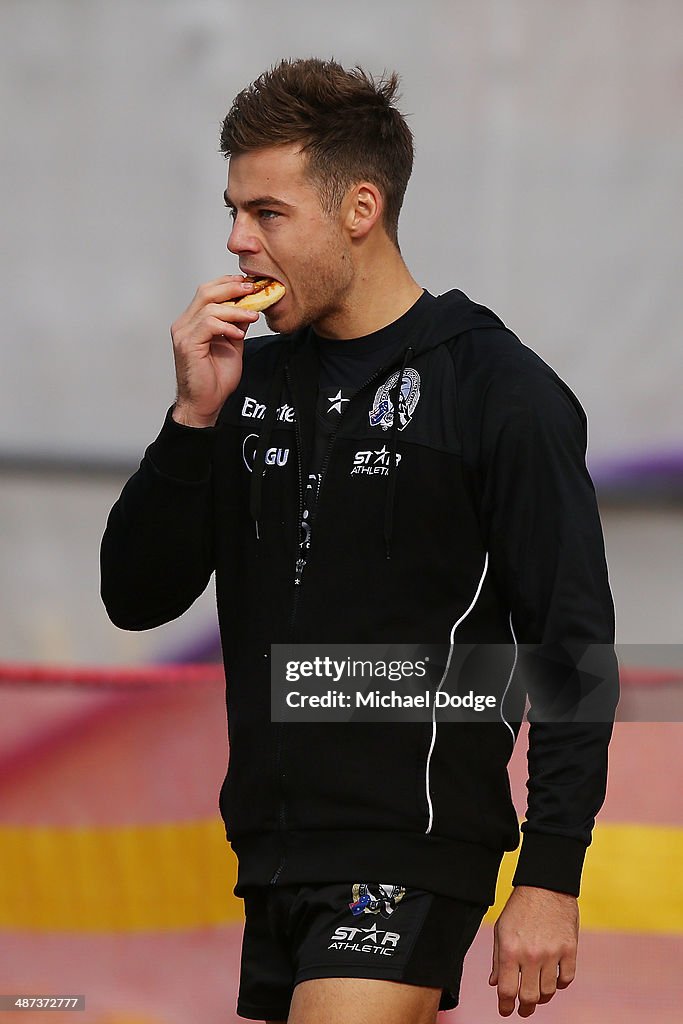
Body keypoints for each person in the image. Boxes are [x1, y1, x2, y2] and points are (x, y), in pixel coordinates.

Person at [100, 57, 619, 1024]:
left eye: (266, 213)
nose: (235, 241)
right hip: (272, 850)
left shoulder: (502, 393)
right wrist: (190, 419)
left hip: (413, 846)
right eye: (233, 210)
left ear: (359, 208)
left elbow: (573, 646)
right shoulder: (241, 383)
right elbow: (134, 596)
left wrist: (550, 878)